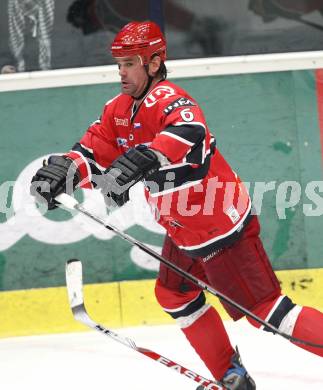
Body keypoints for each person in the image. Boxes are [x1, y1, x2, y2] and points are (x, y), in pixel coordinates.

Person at [30, 21, 323, 389]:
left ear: (154, 63)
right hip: (184, 231)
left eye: (130, 63)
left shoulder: (171, 99)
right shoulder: (119, 109)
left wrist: (147, 157)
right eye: (119, 64)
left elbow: (188, 133)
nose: (121, 72)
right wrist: (65, 170)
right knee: (174, 293)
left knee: (269, 313)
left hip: (221, 231)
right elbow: (92, 151)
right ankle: (232, 377)